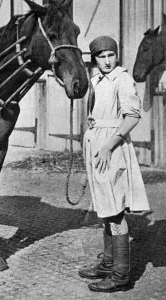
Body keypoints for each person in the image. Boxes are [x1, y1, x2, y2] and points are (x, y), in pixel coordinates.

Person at [78, 36, 150, 293]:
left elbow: (132, 116)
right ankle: (108, 263)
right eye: (101, 56)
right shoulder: (97, 80)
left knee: (116, 210)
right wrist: (92, 123)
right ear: (94, 59)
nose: (107, 61)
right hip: (98, 146)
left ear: (117, 56)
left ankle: (120, 275)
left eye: (111, 55)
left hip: (113, 148)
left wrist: (108, 145)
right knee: (106, 207)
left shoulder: (123, 79)